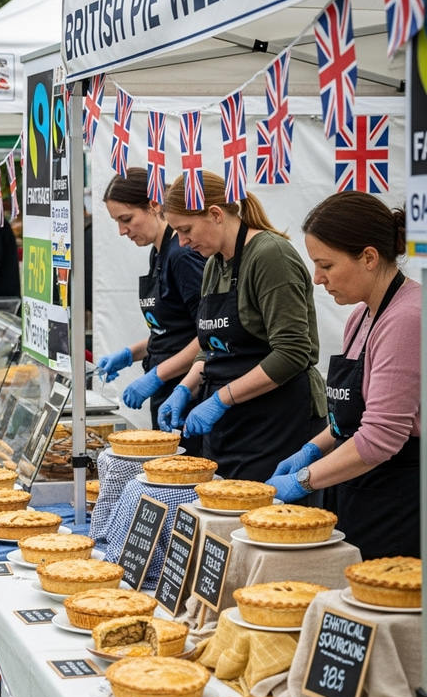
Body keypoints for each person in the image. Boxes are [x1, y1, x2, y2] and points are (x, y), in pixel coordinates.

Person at [267, 192, 420, 559]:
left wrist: (303, 480)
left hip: (396, 500)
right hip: (355, 487)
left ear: (368, 257)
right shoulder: (361, 315)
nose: (318, 279)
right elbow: (349, 418)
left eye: (326, 265)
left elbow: (381, 436)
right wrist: (312, 449)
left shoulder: (407, 318)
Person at [157, 171, 326, 481]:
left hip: (276, 424)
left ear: (216, 214)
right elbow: (211, 348)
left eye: (186, 229)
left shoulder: (270, 255)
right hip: (232, 428)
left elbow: (292, 352)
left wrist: (221, 399)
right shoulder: (213, 264)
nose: (182, 242)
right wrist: (185, 387)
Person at [97, 168, 206, 431]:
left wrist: (158, 376)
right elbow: (170, 330)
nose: (123, 231)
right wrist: (129, 354)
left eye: (126, 219)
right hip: (167, 386)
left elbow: (208, 334)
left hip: (187, 392)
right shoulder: (158, 253)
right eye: (117, 223)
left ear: (154, 205)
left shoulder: (182, 256)